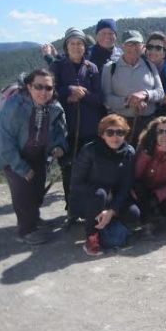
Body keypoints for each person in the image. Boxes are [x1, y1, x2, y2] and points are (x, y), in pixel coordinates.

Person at [0, 69, 67, 245]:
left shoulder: (53, 107)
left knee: (36, 191)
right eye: (38, 87)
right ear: (29, 86)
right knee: (22, 194)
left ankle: (34, 221)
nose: (43, 92)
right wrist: (21, 167)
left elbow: (59, 130)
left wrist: (59, 146)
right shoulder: (15, 106)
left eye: (48, 88)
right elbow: (4, 140)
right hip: (14, 156)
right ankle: (25, 231)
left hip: (38, 154)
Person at [49, 27, 105, 219]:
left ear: (85, 46)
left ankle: (88, 210)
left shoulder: (92, 68)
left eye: (79, 43)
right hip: (66, 128)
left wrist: (83, 95)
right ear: (66, 46)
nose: (76, 46)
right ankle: (72, 210)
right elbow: (49, 93)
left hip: (89, 127)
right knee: (69, 171)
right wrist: (68, 91)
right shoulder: (56, 67)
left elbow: (99, 98)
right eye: (72, 43)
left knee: (91, 170)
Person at [70, 114, 140, 256]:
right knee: (99, 194)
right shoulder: (90, 150)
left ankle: (106, 223)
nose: (115, 137)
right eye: (110, 132)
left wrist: (111, 210)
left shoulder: (129, 152)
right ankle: (92, 236)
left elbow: (126, 185)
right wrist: (104, 195)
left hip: (113, 198)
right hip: (89, 198)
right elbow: (76, 183)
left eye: (120, 132)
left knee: (134, 213)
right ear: (102, 135)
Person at [102, 30, 164, 146]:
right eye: (130, 44)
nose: (134, 48)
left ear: (143, 47)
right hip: (120, 125)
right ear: (122, 46)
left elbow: (160, 93)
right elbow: (106, 98)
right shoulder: (110, 68)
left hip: (148, 123)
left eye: (137, 44)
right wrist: (129, 102)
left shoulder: (150, 65)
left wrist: (145, 95)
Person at [134, 116, 166, 233]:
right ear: (154, 134)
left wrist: (159, 195)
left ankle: (157, 212)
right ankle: (147, 221)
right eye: (160, 132)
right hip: (145, 188)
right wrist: (146, 155)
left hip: (165, 190)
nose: (164, 135)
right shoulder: (145, 148)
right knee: (139, 191)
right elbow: (136, 174)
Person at [41, 18, 122, 73]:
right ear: (96, 35)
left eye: (111, 33)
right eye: (103, 33)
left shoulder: (122, 55)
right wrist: (49, 56)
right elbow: (64, 67)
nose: (107, 36)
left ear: (116, 35)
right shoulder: (86, 53)